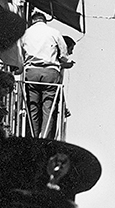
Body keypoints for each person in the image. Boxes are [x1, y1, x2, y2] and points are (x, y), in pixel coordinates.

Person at [22, 10, 72, 138]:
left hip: (31, 72)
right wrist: (66, 62)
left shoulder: (26, 33)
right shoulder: (54, 32)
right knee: (48, 108)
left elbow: (20, 54)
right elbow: (64, 55)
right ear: (44, 20)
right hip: (50, 72)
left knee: (32, 107)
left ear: (33, 21)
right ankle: (45, 138)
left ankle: (33, 137)